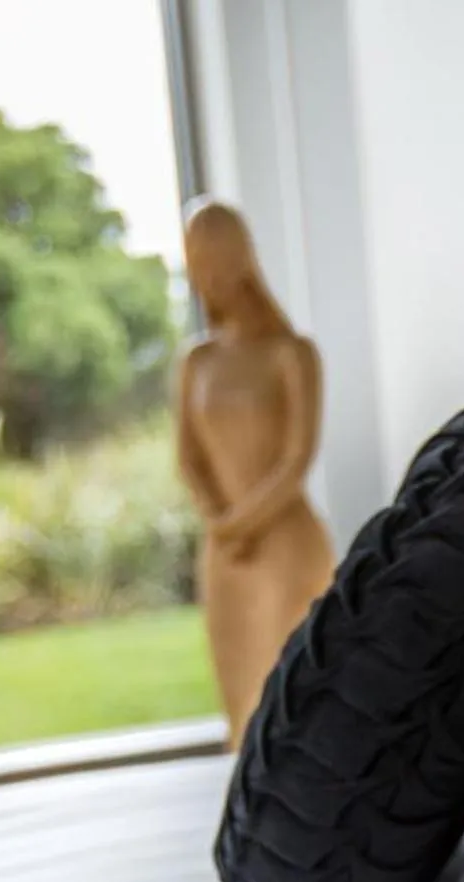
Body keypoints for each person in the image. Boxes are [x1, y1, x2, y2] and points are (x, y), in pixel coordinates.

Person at [176, 198, 336, 749]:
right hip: (227, 558)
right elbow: (189, 459)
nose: (203, 279)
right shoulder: (197, 362)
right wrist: (219, 524)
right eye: (194, 265)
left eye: (211, 262)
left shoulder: (293, 355)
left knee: (291, 699)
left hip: (285, 548)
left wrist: (240, 523)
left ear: (239, 259)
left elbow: (296, 461)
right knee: (240, 707)